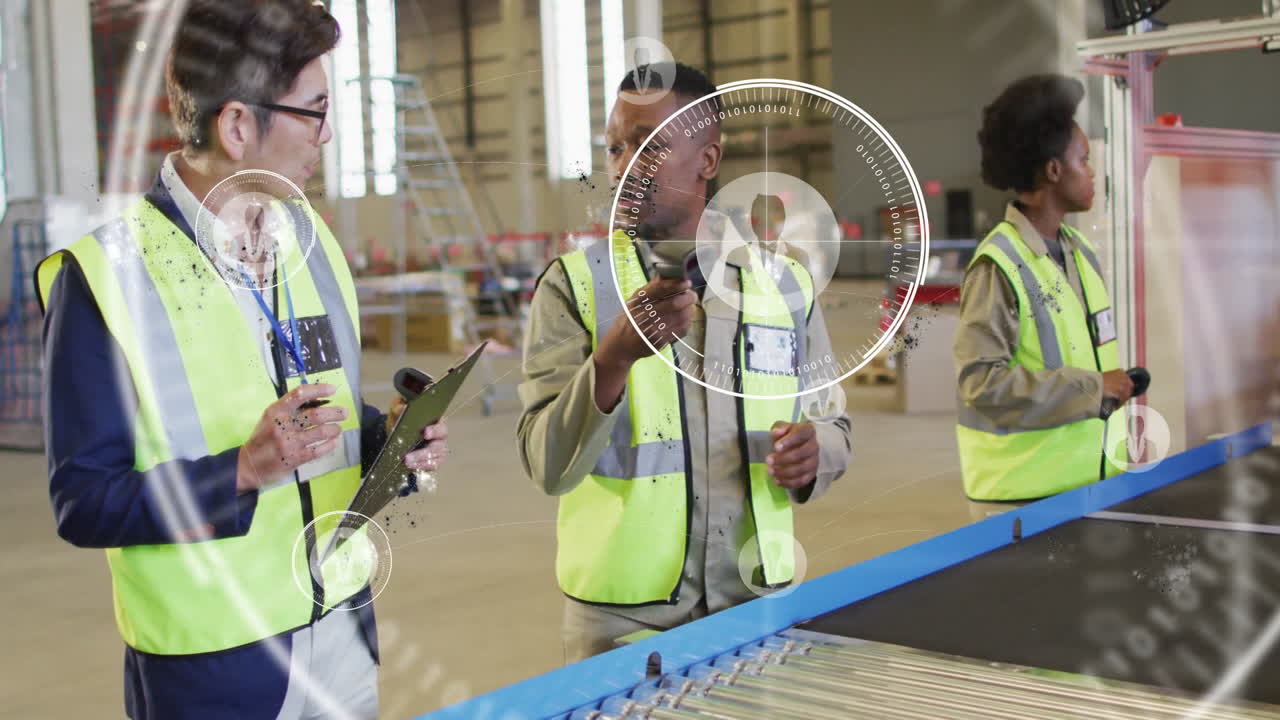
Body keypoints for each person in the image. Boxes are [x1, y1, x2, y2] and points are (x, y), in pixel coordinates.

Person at [35, 2, 448, 717]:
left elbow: (320, 419)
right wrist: (243, 470)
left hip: (344, 630)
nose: (327, 134)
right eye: (313, 112)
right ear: (235, 125)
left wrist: (391, 441)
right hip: (219, 668)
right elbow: (83, 502)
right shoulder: (105, 276)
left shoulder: (307, 238)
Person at [517, 63, 852, 663]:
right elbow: (547, 465)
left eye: (650, 145)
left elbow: (835, 426)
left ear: (706, 159)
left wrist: (815, 454)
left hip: (755, 608)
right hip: (623, 628)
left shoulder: (784, 286)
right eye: (616, 147)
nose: (624, 167)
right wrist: (613, 361)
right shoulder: (575, 287)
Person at [954, 73, 1131, 504]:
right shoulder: (998, 266)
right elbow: (981, 384)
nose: (1091, 172)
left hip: (1091, 483)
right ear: (1053, 170)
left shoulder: (1081, 252)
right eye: (1083, 160)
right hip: (1023, 499)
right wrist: (1094, 389)